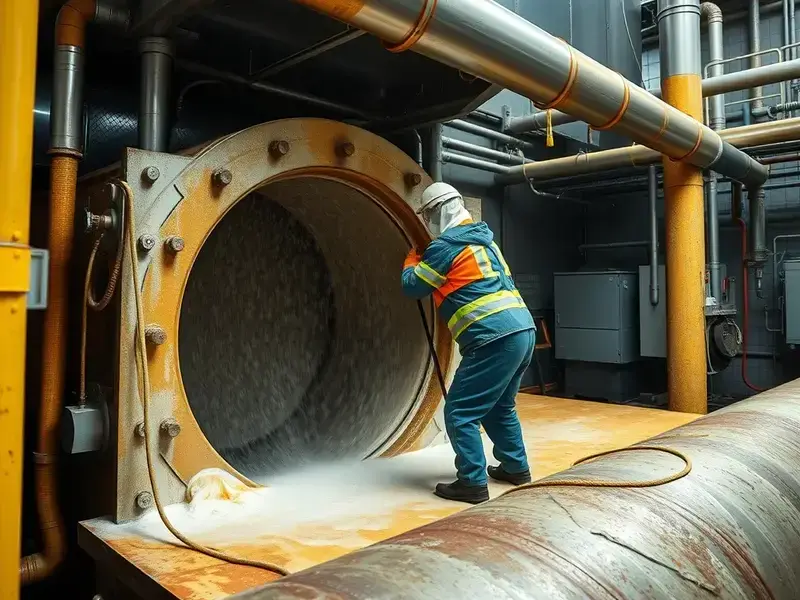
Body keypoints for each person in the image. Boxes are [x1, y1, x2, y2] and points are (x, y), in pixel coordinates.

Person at [401, 182, 536, 504]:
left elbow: (413, 287)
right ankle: (515, 468)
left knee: (461, 411)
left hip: (493, 338)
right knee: (500, 407)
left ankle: (472, 483)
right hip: (522, 331)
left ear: (435, 213)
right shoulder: (484, 242)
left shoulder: (445, 246)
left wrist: (411, 258)